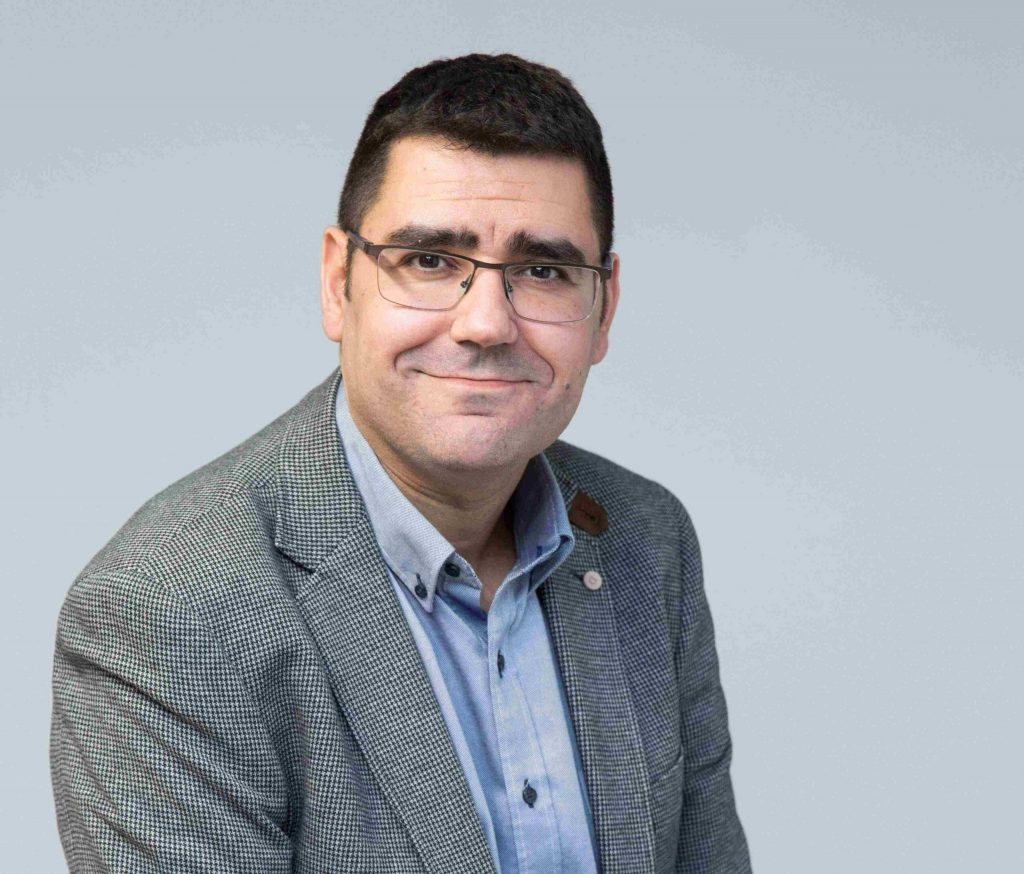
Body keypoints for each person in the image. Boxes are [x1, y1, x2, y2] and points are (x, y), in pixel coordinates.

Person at [50, 53, 751, 873]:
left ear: (604, 308)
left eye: (542, 271)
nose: (486, 324)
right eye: (430, 261)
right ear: (338, 282)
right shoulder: (169, 607)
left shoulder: (644, 540)